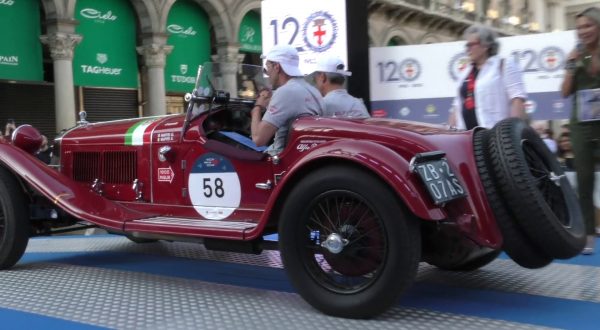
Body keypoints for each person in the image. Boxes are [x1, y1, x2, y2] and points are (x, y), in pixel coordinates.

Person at [560, 6, 600, 255]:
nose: (583, 31)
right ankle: (588, 234)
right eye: (579, 27)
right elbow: (564, 92)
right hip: (581, 124)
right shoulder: (575, 54)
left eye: (588, 25)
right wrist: (572, 65)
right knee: (584, 179)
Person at [448, 25, 527, 129]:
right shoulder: (465, 72)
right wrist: (449, 132)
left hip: (493, 135)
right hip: (465, 137)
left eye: (471, 45)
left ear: (485, 46)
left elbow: (517, 100)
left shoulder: (504, 64)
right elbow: (457, 106)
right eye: (466, 46)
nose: (467, 49)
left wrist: (511, 133)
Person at [251, 45, 325, 154]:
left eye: (267, 68)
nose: (267, 74)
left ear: (277, 67)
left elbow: (258, 139)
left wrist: (257, 107)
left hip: (279, 159)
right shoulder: (314, 91)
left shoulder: (286, 92)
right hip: (302, 154)